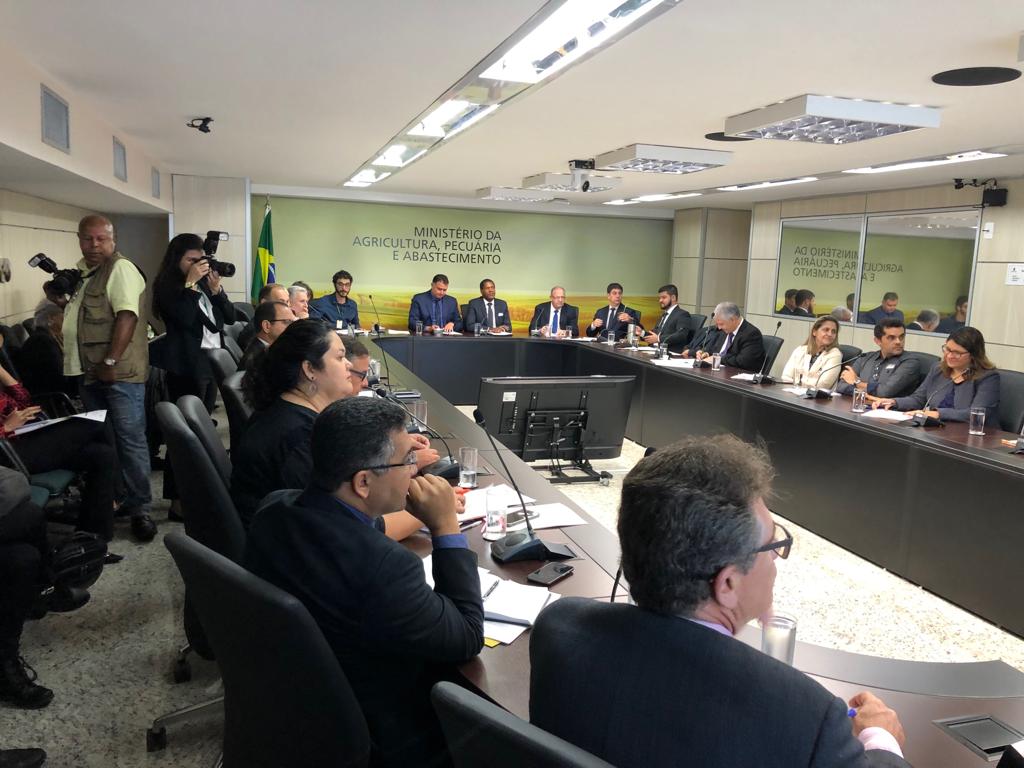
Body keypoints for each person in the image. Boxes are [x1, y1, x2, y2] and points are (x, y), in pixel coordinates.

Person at [530, 435, 909, 768]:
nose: (776, 560)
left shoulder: (559, 627)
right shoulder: (806, 717)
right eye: (772, 546)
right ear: (727, 583)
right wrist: (881, 739)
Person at [244, 397, 484, 768]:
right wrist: (445, 525)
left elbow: (357, 530)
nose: (415, 470)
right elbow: (467, 636)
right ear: (363, 481)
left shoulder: (275, 508)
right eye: (406, 460)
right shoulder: (386, 569)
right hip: (383, 732)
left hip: (289, 703)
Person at [231, 320, 436, 533]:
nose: (348, 365)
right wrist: (433, 513)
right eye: (339, 357)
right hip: (286, 546)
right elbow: (348, 529)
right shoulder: (299, 439)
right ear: (310, 369)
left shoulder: (291, 411)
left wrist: (393, 447)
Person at [61, 215, 155, 542]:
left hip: (117, 373)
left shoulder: (120, 269)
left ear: (113, 240)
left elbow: (127, 316)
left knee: (130, 440)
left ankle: (141, 509)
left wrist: (110, 360)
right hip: (90, 372)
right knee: (105, 441)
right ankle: (116, 499)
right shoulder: (86, 273)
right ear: (79, 239)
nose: (94, 245)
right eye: (88, 238)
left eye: (101, 238)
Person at [151, 233, 236, 406]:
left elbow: (230, 318)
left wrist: (217, 291)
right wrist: (190, 285)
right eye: (191, 260)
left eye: (199, 260)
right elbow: (185, 318)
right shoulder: (167, 286)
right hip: (187, 363)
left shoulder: (204, 283)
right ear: (176, 260)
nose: (196, 266)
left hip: (211, 359)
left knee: (205, 412)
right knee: (188, 414)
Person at [876, 326, 999, 424]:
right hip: (938, 430)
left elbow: (976, 414)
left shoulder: (988, 377)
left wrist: (937, 414)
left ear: (973, 355)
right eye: (947, 349)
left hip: (972, 436)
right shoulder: (938, 369)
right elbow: (919, 399)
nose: (949, 356)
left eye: (957, 353)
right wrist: (894, 402)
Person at [835, 319, 920, 400]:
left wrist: (857, 382)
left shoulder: (910, 362)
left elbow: (884, 392)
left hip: (888, 409)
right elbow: (841, 386)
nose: (898, 342)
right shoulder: (865, 357)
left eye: (901, 337)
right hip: (859, 405)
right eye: (891, 338)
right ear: (878, 341)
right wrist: (865, 391)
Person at [18, 304, 75, 397]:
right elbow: (59, 375)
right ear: (50, 319)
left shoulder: (45, 337)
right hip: (51, 393)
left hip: (55, 387)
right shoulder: (42, 341)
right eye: (63, 317)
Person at [691, 302, 765, 372]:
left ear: (733, 319)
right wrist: (707, 354)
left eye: (721, 324)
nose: (719, 328)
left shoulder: (751, 334)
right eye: (717, 324)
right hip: (717, 372)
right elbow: (716, 350)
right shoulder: (725, 330)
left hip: (736, 375)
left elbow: (743, 361)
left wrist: (718, 359)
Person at [781, 316, 843, 389]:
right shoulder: (800, 350)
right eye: (826, 330)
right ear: (814, 332)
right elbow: (786, 376)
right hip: (792, 392)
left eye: (833, 331)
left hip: (816, 396)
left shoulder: (835, 354)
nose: (830, 334)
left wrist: (799, 389)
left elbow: (823, 385)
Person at [238, 300, 293, 371]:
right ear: (266, 326)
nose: (293, 326)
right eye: (287, 322)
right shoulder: (258, 361)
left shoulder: (268, 349)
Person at [237, 283, 290, 350]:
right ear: (264, 303)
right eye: (281, 302)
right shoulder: (254, 331)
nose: (286, 306)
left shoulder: (275, 323)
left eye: (287, 302)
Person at [641, 284, 691, 352]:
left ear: (673, 298)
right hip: (655, 351)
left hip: (669, 352)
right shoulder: (664, 314)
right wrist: (641, 333)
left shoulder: (682, 315)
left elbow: (681, 335)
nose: (660, 300)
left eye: (663, 297)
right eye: (659, 298)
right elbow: (654, 335)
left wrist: (658, 339)